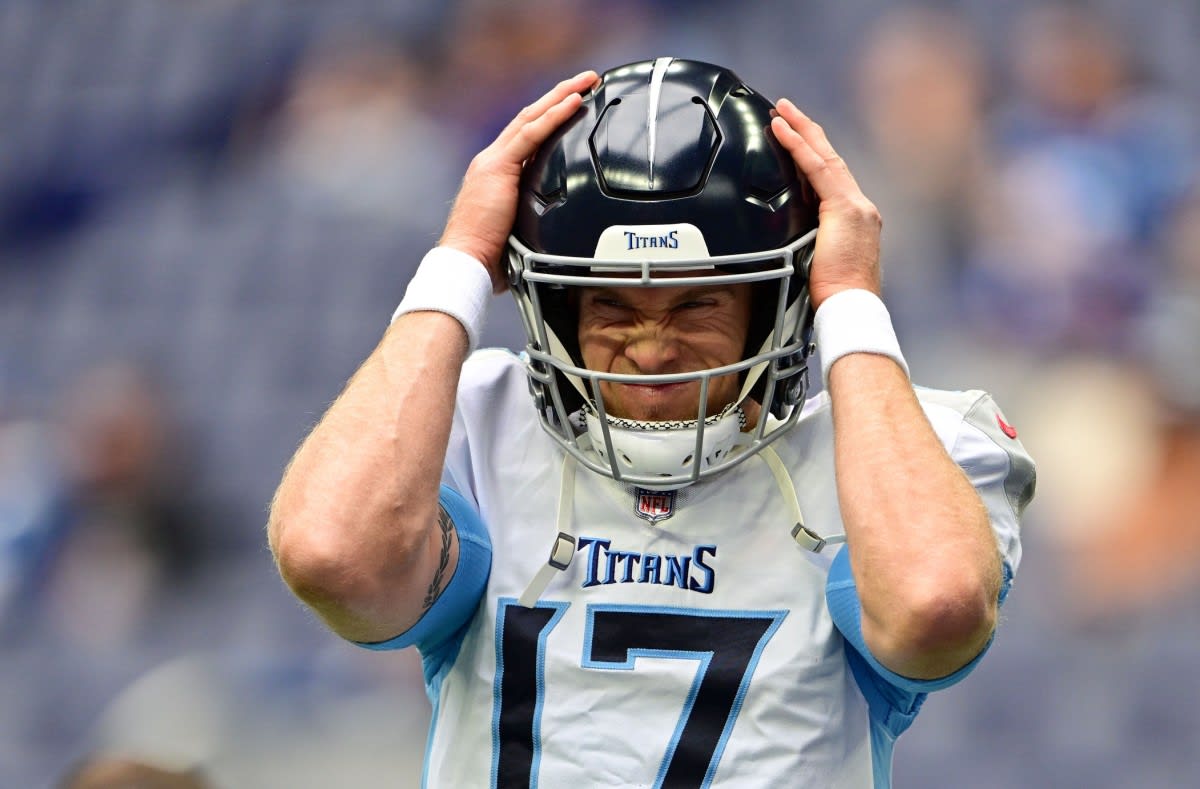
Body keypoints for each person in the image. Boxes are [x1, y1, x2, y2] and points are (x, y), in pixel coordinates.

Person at [269, 58, 1035, 787]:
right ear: (558, 307)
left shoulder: (897, 448)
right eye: (611, 306)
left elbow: (934, 607)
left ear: (775, 302)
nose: (652, 347)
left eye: (697, 303)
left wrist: (851, 303)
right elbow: (329, 552)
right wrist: (460, 258)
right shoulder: (473, 419)